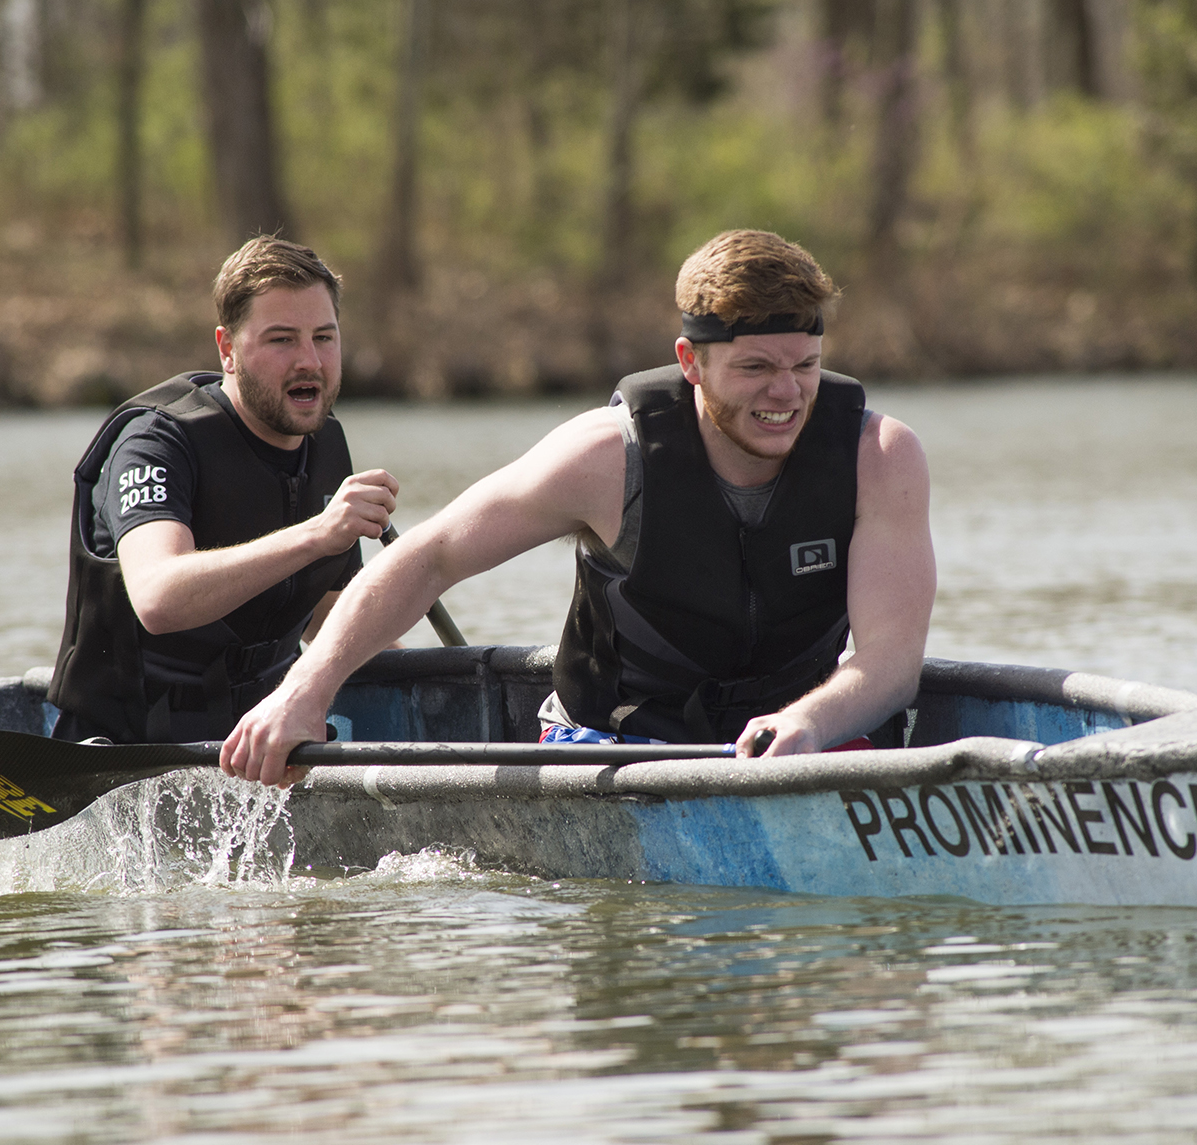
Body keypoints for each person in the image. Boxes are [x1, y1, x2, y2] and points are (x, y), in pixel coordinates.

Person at [220, 229, 935, 784]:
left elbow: (889, 663)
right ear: (691, 363)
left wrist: (807, 723)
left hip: (799, 741)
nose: (785, 395)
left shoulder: (880, 459)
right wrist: (304, 694)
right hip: (613, 745)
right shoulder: (605, 458)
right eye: (755, 369)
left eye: (804, 367)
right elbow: (429, 557)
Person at [46, 236, 398, 744]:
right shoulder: (156, 442)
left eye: (324, 337)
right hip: (123, 755)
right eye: (282, 340)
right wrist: (320, 534)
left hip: (257, 746)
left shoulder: (326, 444)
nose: (310, 362)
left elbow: (330, 620)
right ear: (227, 349)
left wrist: (445, 675)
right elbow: (159, 597)